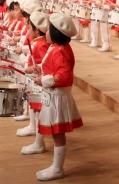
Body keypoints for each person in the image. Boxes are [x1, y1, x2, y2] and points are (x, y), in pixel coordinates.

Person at [23, 14, 83, 181]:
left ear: (56, 33)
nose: (45, 32)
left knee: (58, 134)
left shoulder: (60, 51)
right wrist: (38, 69)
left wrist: (43, 79)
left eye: (49, 29)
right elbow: (49, 65)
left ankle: (57, 168)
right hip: (53, 95)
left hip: (58, 98)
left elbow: (63, 76)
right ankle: (56, 166)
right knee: (56, 133)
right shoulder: (55, 48)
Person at [17, 10, 50, 138]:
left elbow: (45, 64)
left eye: (30, 27)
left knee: (38, 111)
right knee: (34, 107)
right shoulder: (37, 42)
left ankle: (39, 141)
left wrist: (34, 68)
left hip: (38, 82)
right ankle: (36, 137)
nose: (27, 29)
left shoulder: (41, 44)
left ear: (36, 30)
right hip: (34, 80)